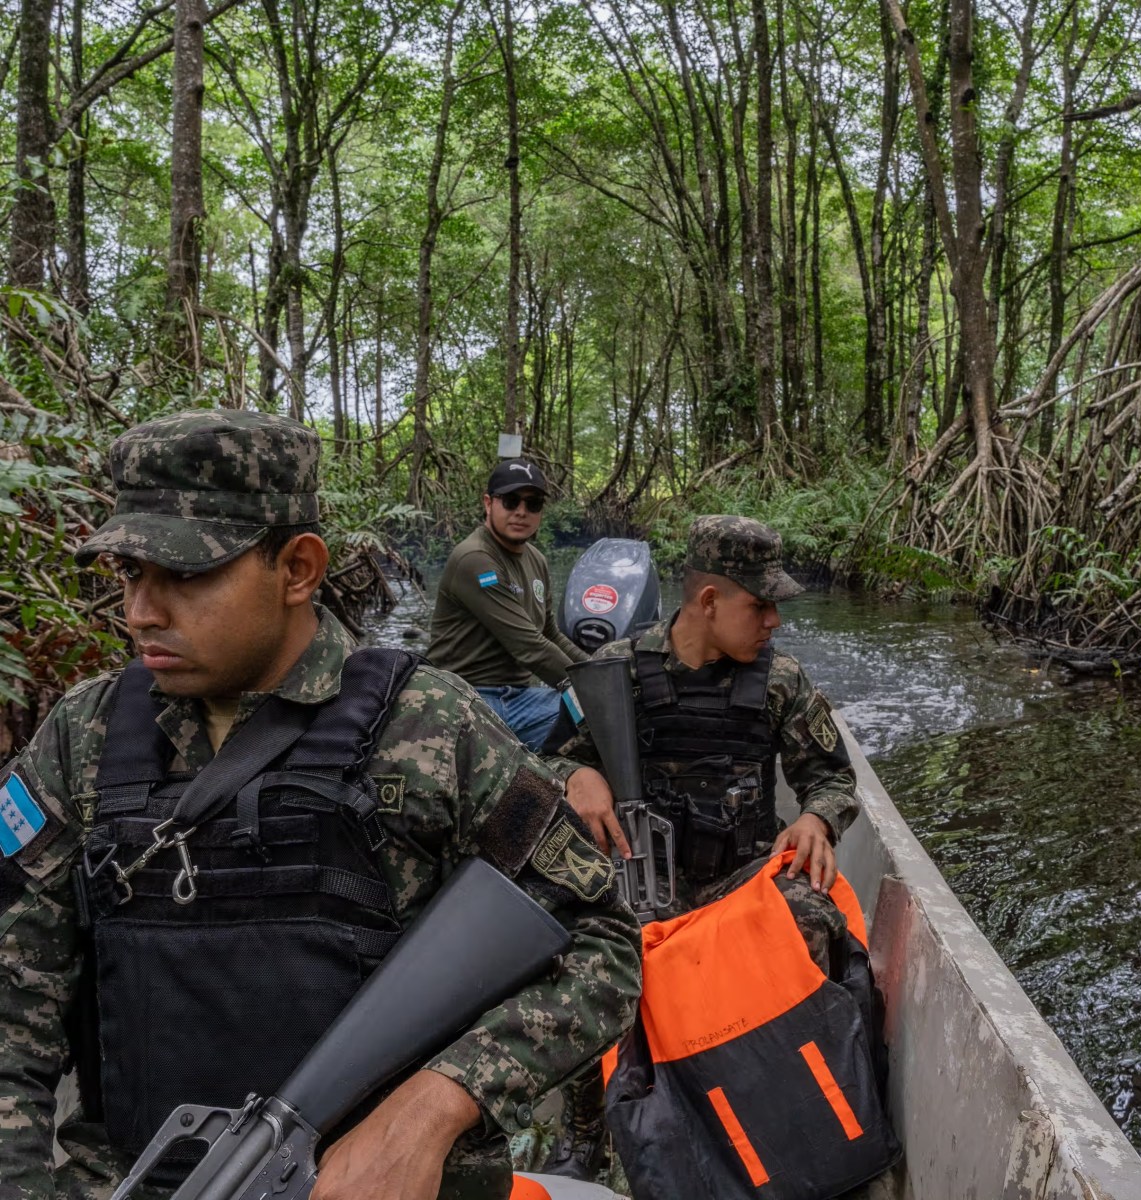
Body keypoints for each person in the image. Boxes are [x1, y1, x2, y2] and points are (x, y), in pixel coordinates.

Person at [0, 410, 641, 1200]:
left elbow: (601, 942)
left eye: (185, 575)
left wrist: (437, 1104)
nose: (141, 613)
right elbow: (11, 1001)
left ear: (298, 568)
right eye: (130, 574)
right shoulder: (82, 737)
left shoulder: (430, 727)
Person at [541, 513, 861, 1181]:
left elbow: (829, 773)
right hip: (634, 887)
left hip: (735, 885)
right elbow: (538, 767)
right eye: (761, 604)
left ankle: (790, 1097)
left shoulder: (779, 682)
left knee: (813, 915)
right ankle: (584, 1133)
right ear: (709, 601)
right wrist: (577, 774)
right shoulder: (614, 674)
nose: (774, 620)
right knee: (576, 947)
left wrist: (817, 821)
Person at [426, 459, 588, 750]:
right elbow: (530, 647)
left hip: (519, 697)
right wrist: (596, 688)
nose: (521, 512)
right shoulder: (475, 558)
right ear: (488, 503)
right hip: (467, 696)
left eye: (533, 503)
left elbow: (550, 633)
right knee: (593, 713)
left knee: (594, 717)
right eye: (511, 501)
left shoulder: (536, 559)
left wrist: (595, 667)